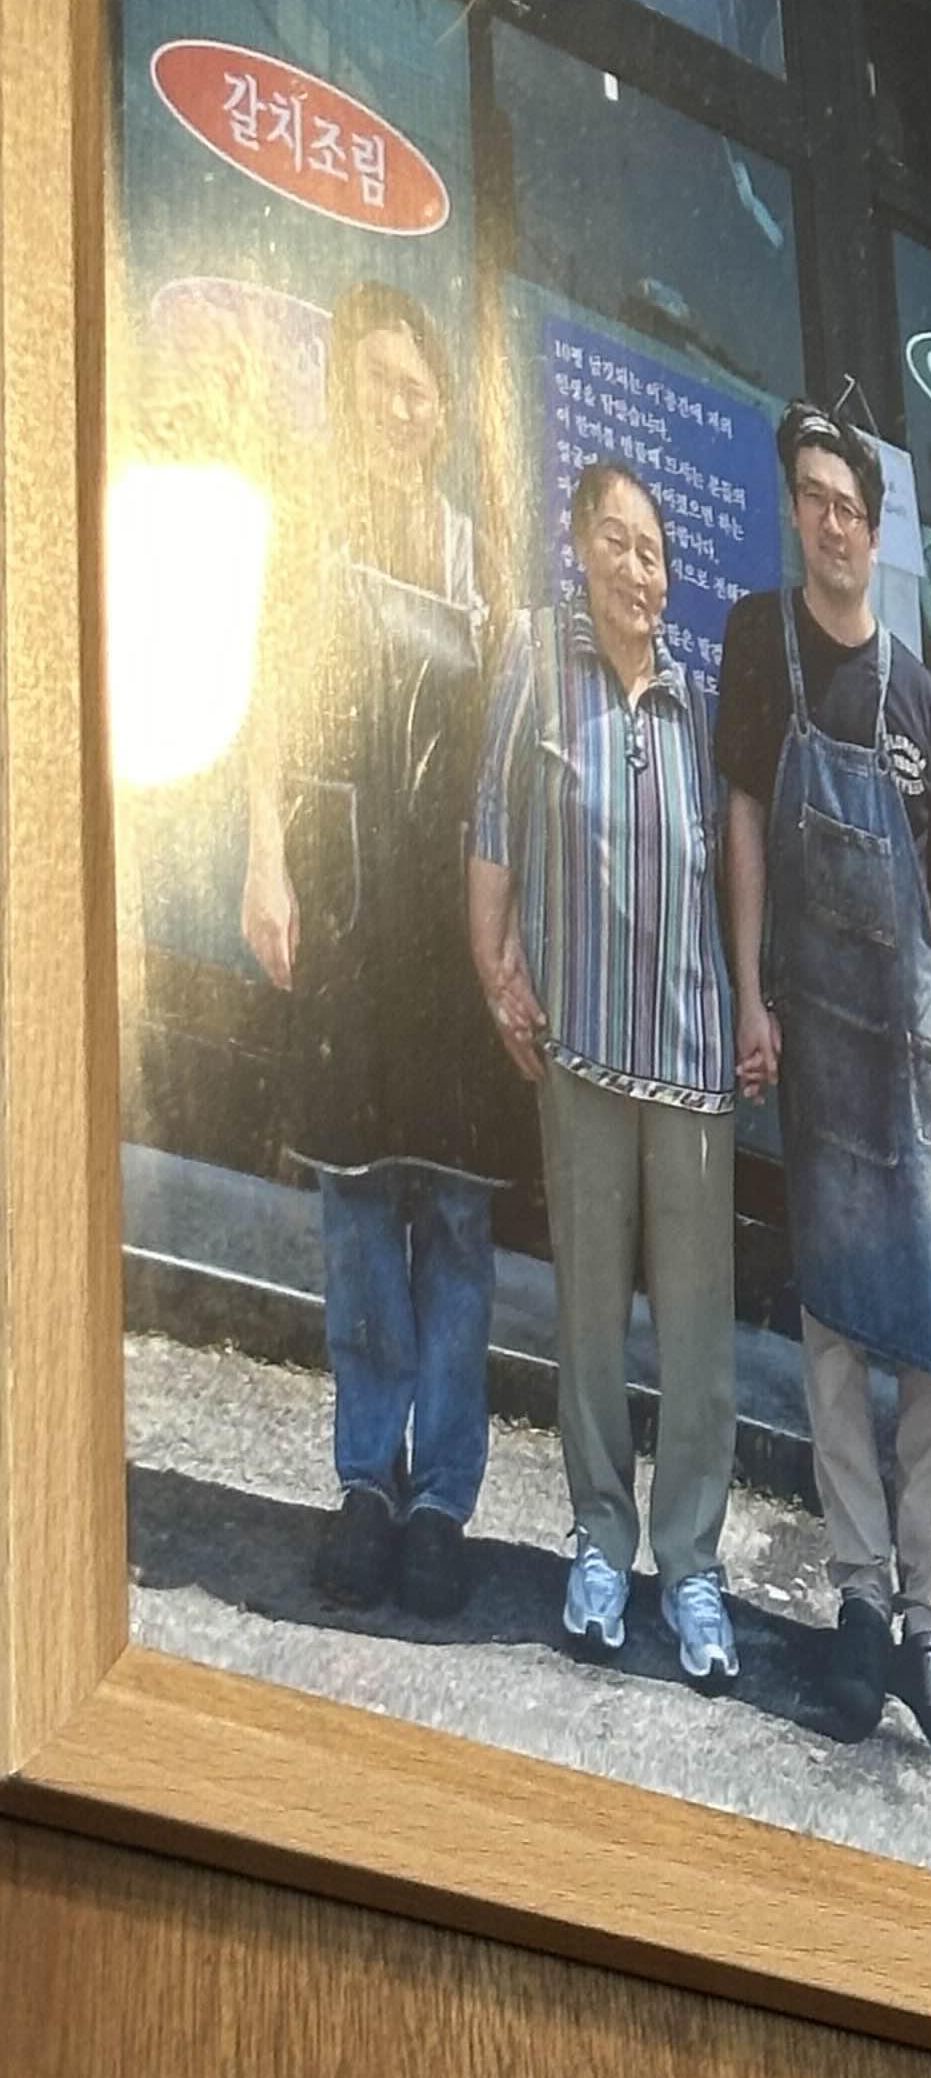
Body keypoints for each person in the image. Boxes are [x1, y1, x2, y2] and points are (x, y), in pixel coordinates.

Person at [716, 400, 931, 1749]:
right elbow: (743, 824)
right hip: (819, 1042)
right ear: (794, 514)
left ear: (876, 535)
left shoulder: (923, 703)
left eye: (852, 507)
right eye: (815, 501)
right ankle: (856, 1604)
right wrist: (749, 993)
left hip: (913, 1053)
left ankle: (930, 1618)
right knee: (833, 1334)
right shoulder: (756, 647)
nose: (833, 524)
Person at [240, 282, 526, 1620]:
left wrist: (512, 943)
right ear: (345, 398)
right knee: (359, 1207)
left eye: (417, 390)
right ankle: (367, 1482)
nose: (398, 409)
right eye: (376, 385)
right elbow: (268, 709)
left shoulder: (483, 567)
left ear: (445, 414)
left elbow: (512, 775)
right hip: (350, 907)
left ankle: (442, 1501)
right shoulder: (309, 533)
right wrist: (265, 858)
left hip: (454, 929)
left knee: (455, 1218)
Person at [468, 457, 741, 1689]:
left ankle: (689, 1564)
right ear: (579, 545)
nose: (641, 570)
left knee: (697, 1339)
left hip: (690, 1062)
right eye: (620, 544)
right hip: (577, 1048)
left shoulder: (698, 704)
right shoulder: (537, 654)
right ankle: (598, 1539)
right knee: (588, 1316)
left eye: (656, 552)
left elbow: (729, 869)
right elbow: (492, 818)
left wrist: (749, 1007)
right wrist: (497, 969)